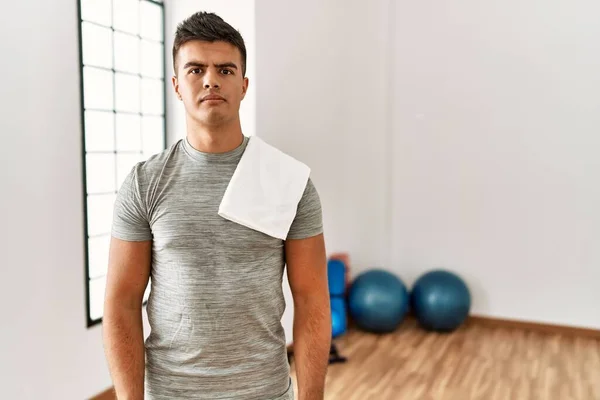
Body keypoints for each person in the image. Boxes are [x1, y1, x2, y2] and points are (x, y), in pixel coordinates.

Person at [102, 11, 331, 400]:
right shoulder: (144, 183)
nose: (211, 79)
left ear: (243, 85)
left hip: (265, 392)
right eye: (195, 70)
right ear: (177, 85)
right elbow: (122, 302)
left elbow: (312, 301)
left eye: (225, 70)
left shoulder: (290, 182)